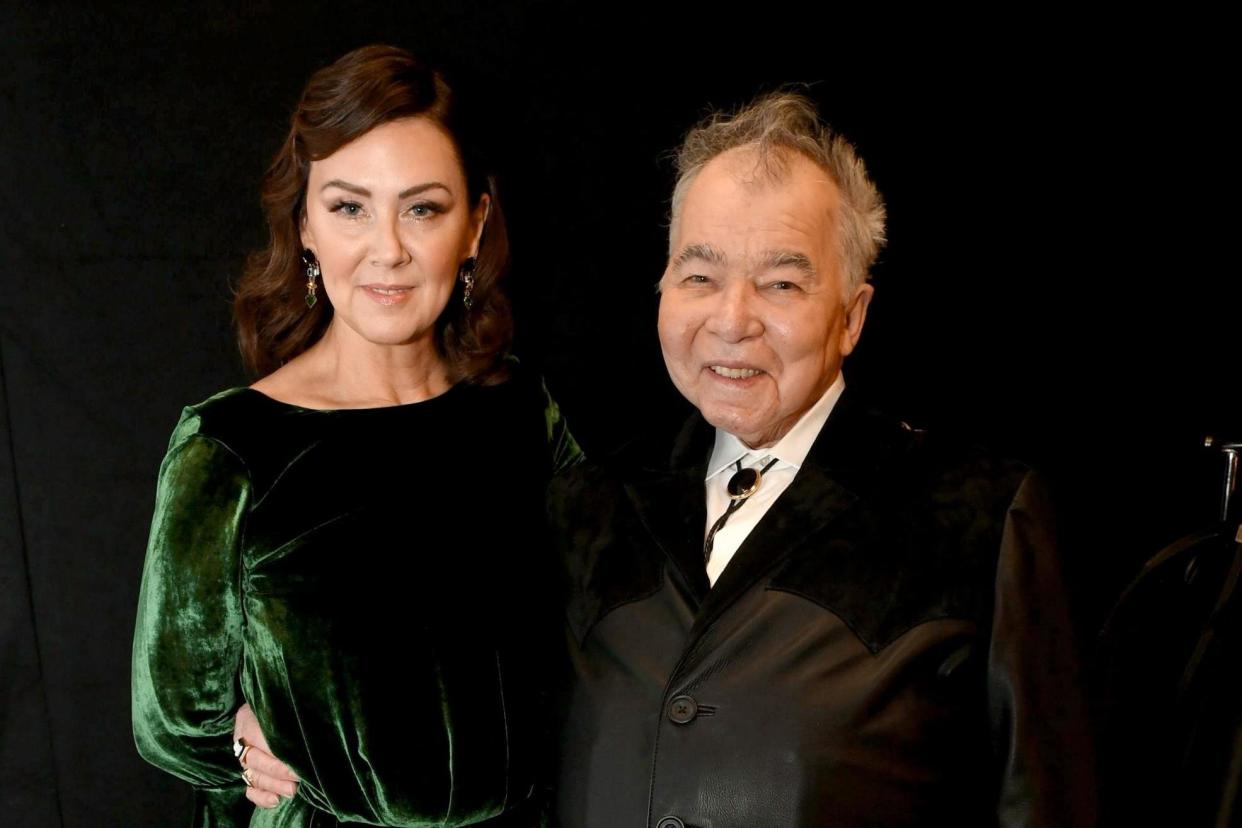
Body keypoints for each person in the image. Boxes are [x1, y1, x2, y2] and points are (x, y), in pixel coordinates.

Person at [549, 91, 1097, 827]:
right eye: (699, 276)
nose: (732, 320)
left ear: (851, 316)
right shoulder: (587, 506)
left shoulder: (981, 517)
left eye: (780, 283)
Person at [131, 45, 580, 828]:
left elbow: (600, 638)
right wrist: (237, 750)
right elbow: (170, 722)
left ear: (474, 225)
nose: (388, 249)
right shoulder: (231, 447)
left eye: (423, 208)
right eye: (349, 207)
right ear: (304, 225)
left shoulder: (523, 413)